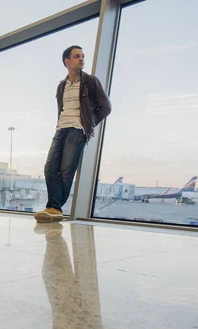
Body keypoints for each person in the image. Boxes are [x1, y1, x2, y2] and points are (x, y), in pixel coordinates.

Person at [34, 45, 112, 223]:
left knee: (66, 170)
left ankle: (53, 207)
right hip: (61, 128)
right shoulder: (61, 86)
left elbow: (106, 107)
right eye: (77, 56)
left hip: (78, 129)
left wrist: (87, 124)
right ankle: (54, 208)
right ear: (67, 62)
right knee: (50, 167)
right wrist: (59, 125)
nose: (82, 59)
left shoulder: (91, 81)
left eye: (83, 56)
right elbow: (61, 108)